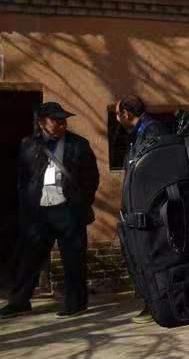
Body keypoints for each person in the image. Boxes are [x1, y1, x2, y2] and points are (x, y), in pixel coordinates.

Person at [0, 102, 99, 319]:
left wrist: (82, 202)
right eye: (56, 120)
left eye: (64, 120)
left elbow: (91, 177)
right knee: (29, 258)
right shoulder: (28, 144)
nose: (62, 124)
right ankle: (19, 302)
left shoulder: (79, 144)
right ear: (42, 122)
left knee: (73, 259)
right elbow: (22, 179)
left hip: (68, 210)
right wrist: (26, 205)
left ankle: (76, 303)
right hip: (38, 212)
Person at [115, 94, 172, 323]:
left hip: (150, 210)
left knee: (152, 257)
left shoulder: (152, 132)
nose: (117, 119)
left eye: (118, 114)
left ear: (127, 114)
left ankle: (158, 304)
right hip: (140, 208)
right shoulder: (139, 133)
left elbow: (155, 171)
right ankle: (152, 302)